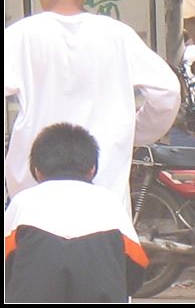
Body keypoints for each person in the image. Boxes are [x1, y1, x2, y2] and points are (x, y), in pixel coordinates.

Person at [4, 0, 181, 212]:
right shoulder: (118, 36)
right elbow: (167, 92)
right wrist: (137, 132)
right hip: (104, 188)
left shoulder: (20, 37)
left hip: (33, 190)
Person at [5, 123, 149, 303]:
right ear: (92, 169)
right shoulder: (110, 203)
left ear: (37, 171)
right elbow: (137, 268)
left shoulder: (23, 203)